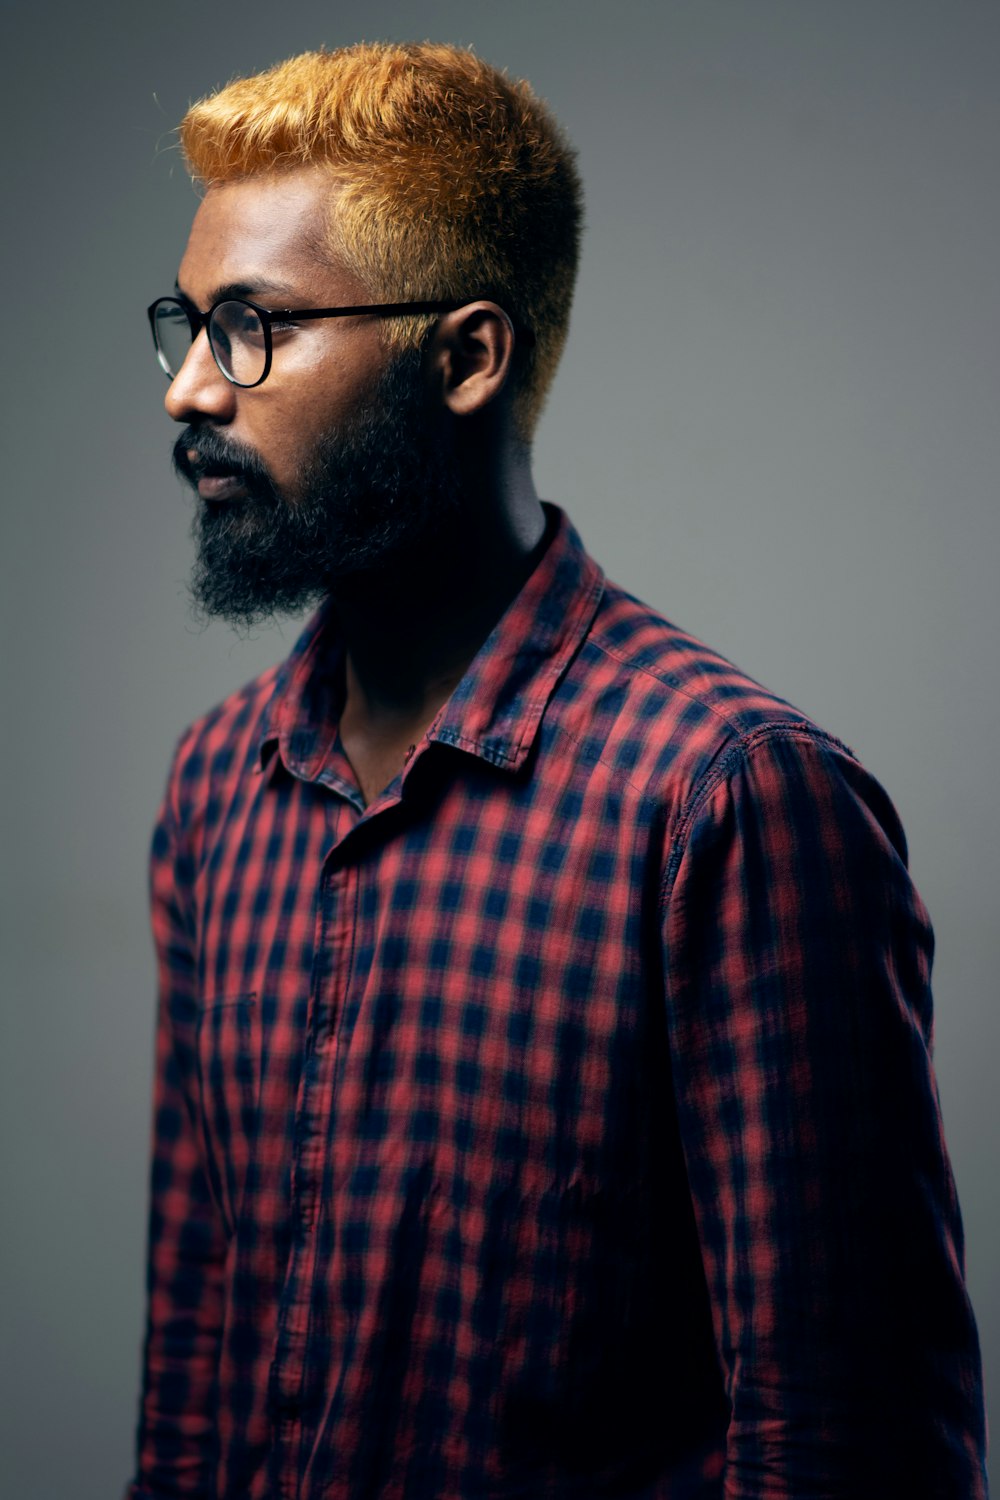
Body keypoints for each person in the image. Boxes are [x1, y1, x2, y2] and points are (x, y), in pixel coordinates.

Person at [128, 41, 988, 1500]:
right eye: (187, 327)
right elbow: (197, 1369)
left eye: (253, 327)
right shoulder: (219, 789)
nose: (191, 393)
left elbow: (850, 1444)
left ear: (467, 355)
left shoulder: (727, 798)